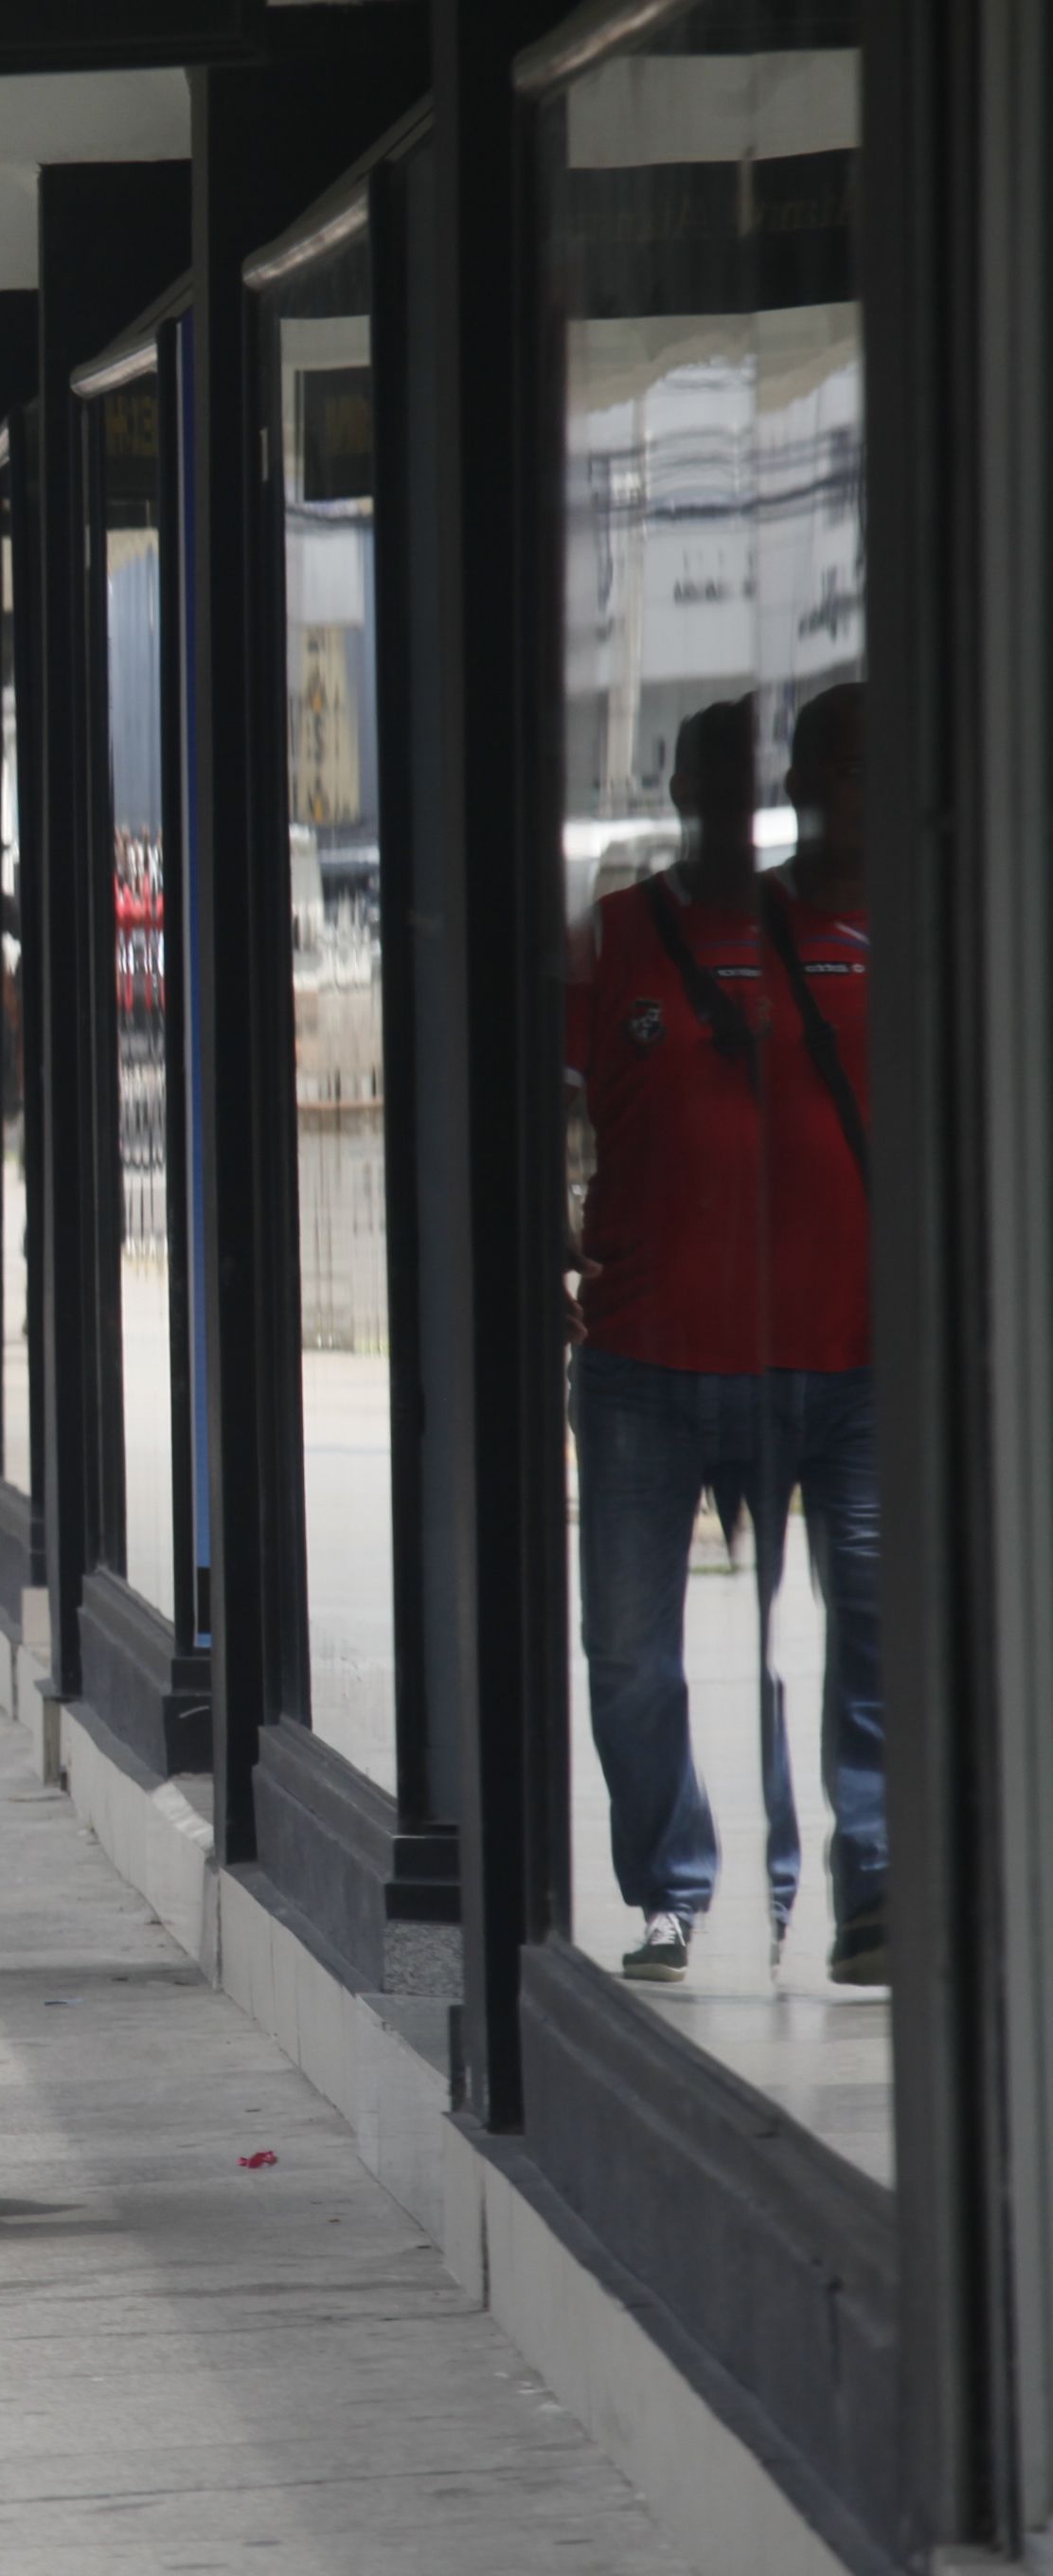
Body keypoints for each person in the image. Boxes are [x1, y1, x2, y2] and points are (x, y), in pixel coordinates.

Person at [568, 684, 880, 1987]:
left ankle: (873, 1887)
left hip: (852, 1364)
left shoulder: (886, 934)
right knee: (632, 1650)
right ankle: (671, 1888)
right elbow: (529, 1100)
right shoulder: (618, 941)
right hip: (650, 1364)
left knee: (875, 1631)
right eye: (716, 778)